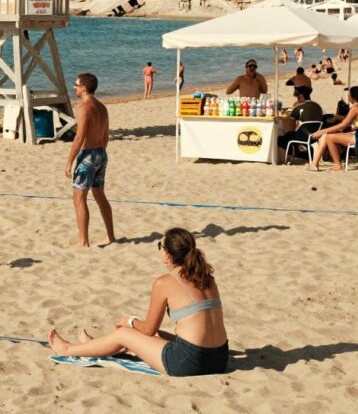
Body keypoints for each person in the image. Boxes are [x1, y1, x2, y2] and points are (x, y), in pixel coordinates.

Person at [48, 228, 228, 377]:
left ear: (168, 254)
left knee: (124, 334)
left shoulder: (164, 282)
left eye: (160, 246)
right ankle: (97, 346)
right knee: (157, 335)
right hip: (220, 358)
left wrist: (130, 321)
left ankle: (68, 349)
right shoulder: (206, 278)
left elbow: (148, 329)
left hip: (189, 363)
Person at [65, 73, 114, 248]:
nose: (74, 87)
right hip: (101, 153)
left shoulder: (83, 108)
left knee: (79, 198)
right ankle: (111, 236)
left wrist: (69, 161)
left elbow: (79, 137)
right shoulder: (102, 107)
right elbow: (105, 135)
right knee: (100, 196)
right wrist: (100, 153)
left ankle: (83, 241)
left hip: (88, 156)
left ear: (84, 87)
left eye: (76, 85)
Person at [308, 86, 358, 171]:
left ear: (352, 97)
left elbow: (342, 125)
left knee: (328, 137)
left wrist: (321, 131)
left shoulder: (355, 108)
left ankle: (336, 165)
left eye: (349, 94)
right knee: (328, 135)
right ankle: (315, 164)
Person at [277, 86, 323, 156]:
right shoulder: (318, 106)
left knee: (282, 138)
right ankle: (297, 150)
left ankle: (292, 152)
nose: (297, 99)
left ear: (301, 96)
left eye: (297, 96)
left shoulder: (300, 107)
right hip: (315, 136)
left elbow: (291, 118)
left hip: (303, 136)